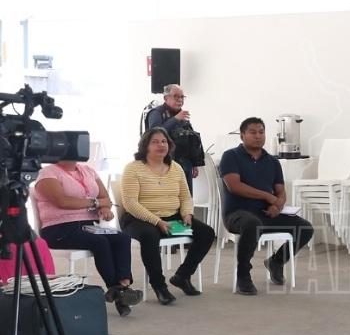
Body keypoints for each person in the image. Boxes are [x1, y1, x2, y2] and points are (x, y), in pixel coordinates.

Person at [34, 161, 143, 316]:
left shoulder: (88, 170)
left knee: (122, 239)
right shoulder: (48, 173)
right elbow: (62, 201)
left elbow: (105, 197)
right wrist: (96, 203)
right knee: (100, 242)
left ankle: (122, 287)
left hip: (89, 226)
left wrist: (104, 207)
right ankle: (120, 292)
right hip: (59, 228)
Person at [120, 127, 215, 305]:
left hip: (172, 217)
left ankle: (182, 276)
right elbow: (130, 203)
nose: (161, 145)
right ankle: (159, 286)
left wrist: (187, 214)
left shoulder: (176, 168)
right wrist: (157, 221)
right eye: (155, 142)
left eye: (164, 141)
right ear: (145, 146)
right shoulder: (133, 169)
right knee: (149, 236)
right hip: (139, 219)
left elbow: (185, 196)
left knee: (206, 233)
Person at [220, 117, 314, 296]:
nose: (258, 136)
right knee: (252, 224)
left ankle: (276, 262)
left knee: (305, 228)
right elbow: (234, 186)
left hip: (265, 214)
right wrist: (267, 196)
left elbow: (281, 191)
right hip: (238, 214)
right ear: (242, 135)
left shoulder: (272, 161)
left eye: (261, 132)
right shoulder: (231, 156)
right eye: (253, 132)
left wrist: (277, 205)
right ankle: (243, 275)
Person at [145, 84, 203, 195]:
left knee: (186, 196)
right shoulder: (157, 113)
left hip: (185, 163)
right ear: (165, 98)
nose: (180, 100)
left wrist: (194, 163)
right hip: (164, 162)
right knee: (169, 196)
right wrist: (175, 119)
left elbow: (191, 138)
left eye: (182, 97)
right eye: (176, 96)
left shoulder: (182, 115)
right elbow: (154, 134)